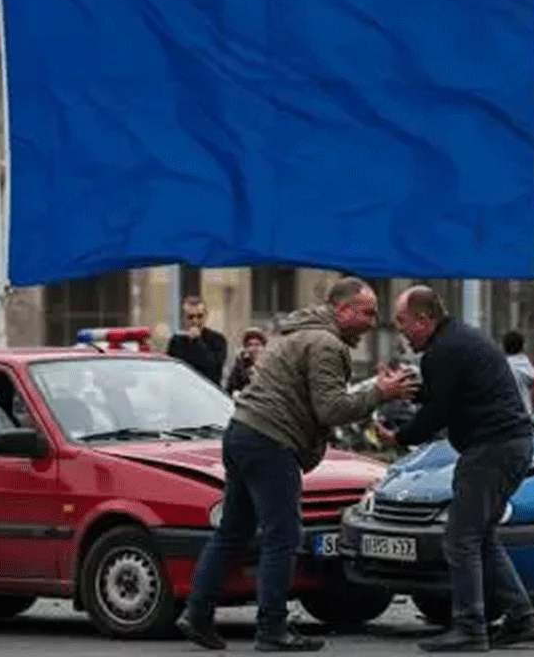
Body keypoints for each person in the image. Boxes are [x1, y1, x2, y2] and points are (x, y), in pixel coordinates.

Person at [175, 277, 419, 652]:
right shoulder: (326, 344)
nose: (374, 321)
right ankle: (272, 628)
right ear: (343, 310)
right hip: (271, 441)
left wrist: (371, 390)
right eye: (368, 312)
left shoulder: (298, 333)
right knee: (283, 536)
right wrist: (380, 393)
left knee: (232, 532)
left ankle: (197, 613)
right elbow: (331, 408)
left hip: (243, 432)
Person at [376, 286, 534, 652]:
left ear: (424, 319)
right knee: (480, 535)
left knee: (459, 538)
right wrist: (411, 392)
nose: (400, 331)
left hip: (491, 450)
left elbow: (437, 412)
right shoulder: (455, 340)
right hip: (510, 446)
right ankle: (520, 615)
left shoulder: (444, 351)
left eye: (403, 322)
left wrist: (398, 436)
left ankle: (470, 627)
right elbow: (448, 394)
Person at [166, 295, 228, 385]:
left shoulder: (217, 339)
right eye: (190, 317)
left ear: (206, 316)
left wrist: (197, 341)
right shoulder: (177, 341)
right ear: (184, 318)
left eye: (199, 316)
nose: (195, 321)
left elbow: (214, 370)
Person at [501, 331, 534, 414]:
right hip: (527, 411)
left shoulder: (502, 367)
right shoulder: (530, 367)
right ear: (523, 346)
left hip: (508, 413)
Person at [224, 327, 267, 395]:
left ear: (263, 347)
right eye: (250, 345)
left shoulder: (271, 365)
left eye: (257, 344)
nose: (254, 348)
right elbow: (231, 388)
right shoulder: (240, 367)